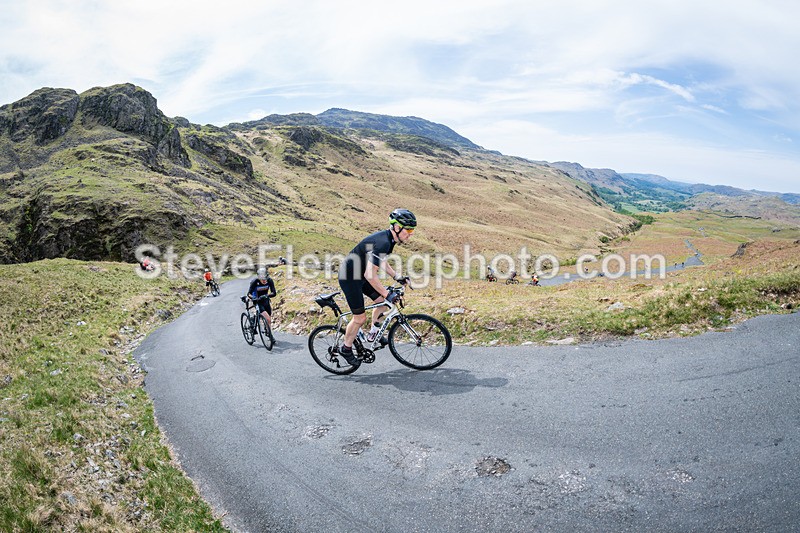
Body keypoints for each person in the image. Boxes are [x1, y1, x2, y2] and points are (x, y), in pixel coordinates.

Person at [336, 209, 415, 366]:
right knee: (360, 318)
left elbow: (381, 261)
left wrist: (396, 276)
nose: (411, 234)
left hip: (361, 275)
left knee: (381, 303)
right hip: (350, 278)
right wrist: (387, 294)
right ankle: (345, 348)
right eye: (409, 230)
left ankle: (373, 334)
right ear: (397, 228)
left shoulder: (389, 240)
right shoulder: (384, 242)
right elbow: (370, 275)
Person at [247, 267, 277, 342]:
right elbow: (249, 294)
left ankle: (267, 331)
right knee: (267, 318)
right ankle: (270, 336)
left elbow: (274, 293)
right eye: (262, 279)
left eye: (265, 278)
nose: (264, 280)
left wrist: (267, 296)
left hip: (265, 301)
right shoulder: (254, 282)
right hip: (257, 301)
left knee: (269, 319)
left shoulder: (269, 280)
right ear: (258, 277)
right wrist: (254, 298)